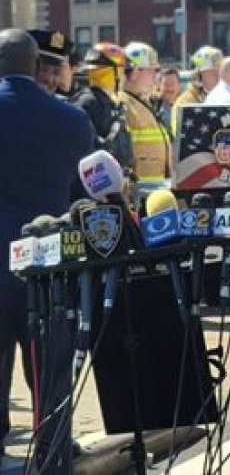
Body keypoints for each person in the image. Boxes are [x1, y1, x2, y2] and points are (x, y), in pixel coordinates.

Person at [0, 29, 93, 461]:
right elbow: (82, 195)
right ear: (35, 64)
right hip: (48, 259)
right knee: (50, 365)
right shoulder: (72, 120)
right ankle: (53, 447)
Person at [72, 42, 135, 176]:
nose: (125, 77)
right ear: (113, 73)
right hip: (100, 188)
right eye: (124, 71)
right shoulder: (89, 104)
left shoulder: (112, 104)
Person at [122, 42, 172, 185]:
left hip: (155, 188)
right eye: (153, 71)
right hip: (139, 193)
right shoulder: (124, 105)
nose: (156, 77)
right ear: (136, 73)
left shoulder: (143, 102)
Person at [171, 45, 223, 132]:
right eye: (213, 73)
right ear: (198, 76)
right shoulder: (184, 103)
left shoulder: (220, 98)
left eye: (220, 72)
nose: (219, 77)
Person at [27, 29, 71, 96]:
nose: (49, 78)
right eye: (43, 69)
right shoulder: (8, 103)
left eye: (56, 73)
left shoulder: (64, 105)